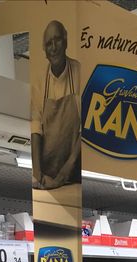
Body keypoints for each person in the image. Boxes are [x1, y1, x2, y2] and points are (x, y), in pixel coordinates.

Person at [31, 20, 81, 190]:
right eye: (48, 43)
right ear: (44, 50)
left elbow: (86, 130)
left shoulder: (80, 73)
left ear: (66, 41)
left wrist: (67, 170)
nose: (53, 47)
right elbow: (35, 128)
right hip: (48, 175)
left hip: (75, 172)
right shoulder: (39, 81)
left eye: (57, 40)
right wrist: (37, 174)